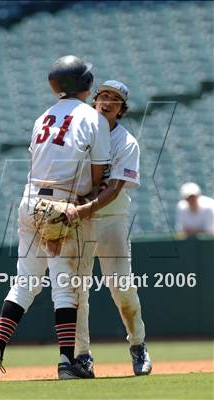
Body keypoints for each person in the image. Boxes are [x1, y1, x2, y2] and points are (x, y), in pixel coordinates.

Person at [0, 55, 110, 381]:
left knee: (24, 282)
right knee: (65, 287)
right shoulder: (94, 119)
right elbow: (96, 179)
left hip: (30, 201)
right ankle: (67, 362)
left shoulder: (42, 117)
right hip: (62, 205)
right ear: (85, 84)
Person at [72, 80, 152, 377]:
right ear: (93, 102)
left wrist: (81, 208)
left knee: (121, 286)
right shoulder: (79, 135)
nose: (106, 102)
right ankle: (81, 355)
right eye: (102, 96)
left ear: (121, 110)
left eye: (114, 100)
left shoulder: (126, 142)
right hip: (78, 219)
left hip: (111, 218)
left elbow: (115, 187)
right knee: (75, 289)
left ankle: (138, 344)